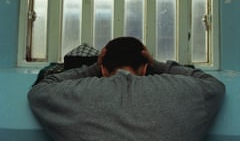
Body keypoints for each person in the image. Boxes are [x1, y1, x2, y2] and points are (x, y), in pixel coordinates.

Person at [28, 37, 225, 141]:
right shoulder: (180, 89)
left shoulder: (77, 92)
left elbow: (40, 89)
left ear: (103, 70)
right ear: (146, 67)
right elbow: (213, 85)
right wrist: (159, 64)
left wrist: (93, 67)